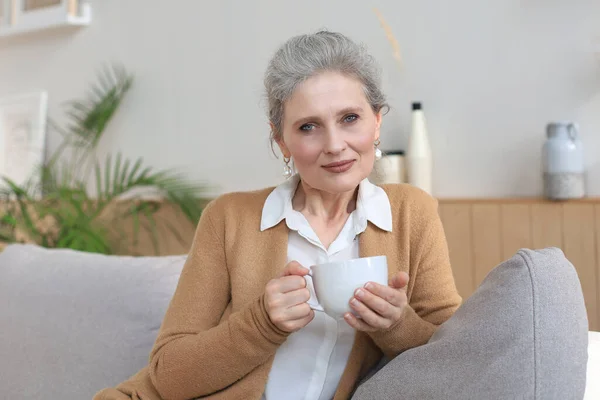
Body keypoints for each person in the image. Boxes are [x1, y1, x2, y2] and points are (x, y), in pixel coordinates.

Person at [94, 30, 462, 400]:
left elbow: (459, 356)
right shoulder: (228, 218)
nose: (335, 145)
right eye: (308, 127)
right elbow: (168, 377)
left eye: (350, 118)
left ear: (377, 122)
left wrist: (398, 326)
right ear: (281, 140)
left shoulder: (412, 213)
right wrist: (261, 324)